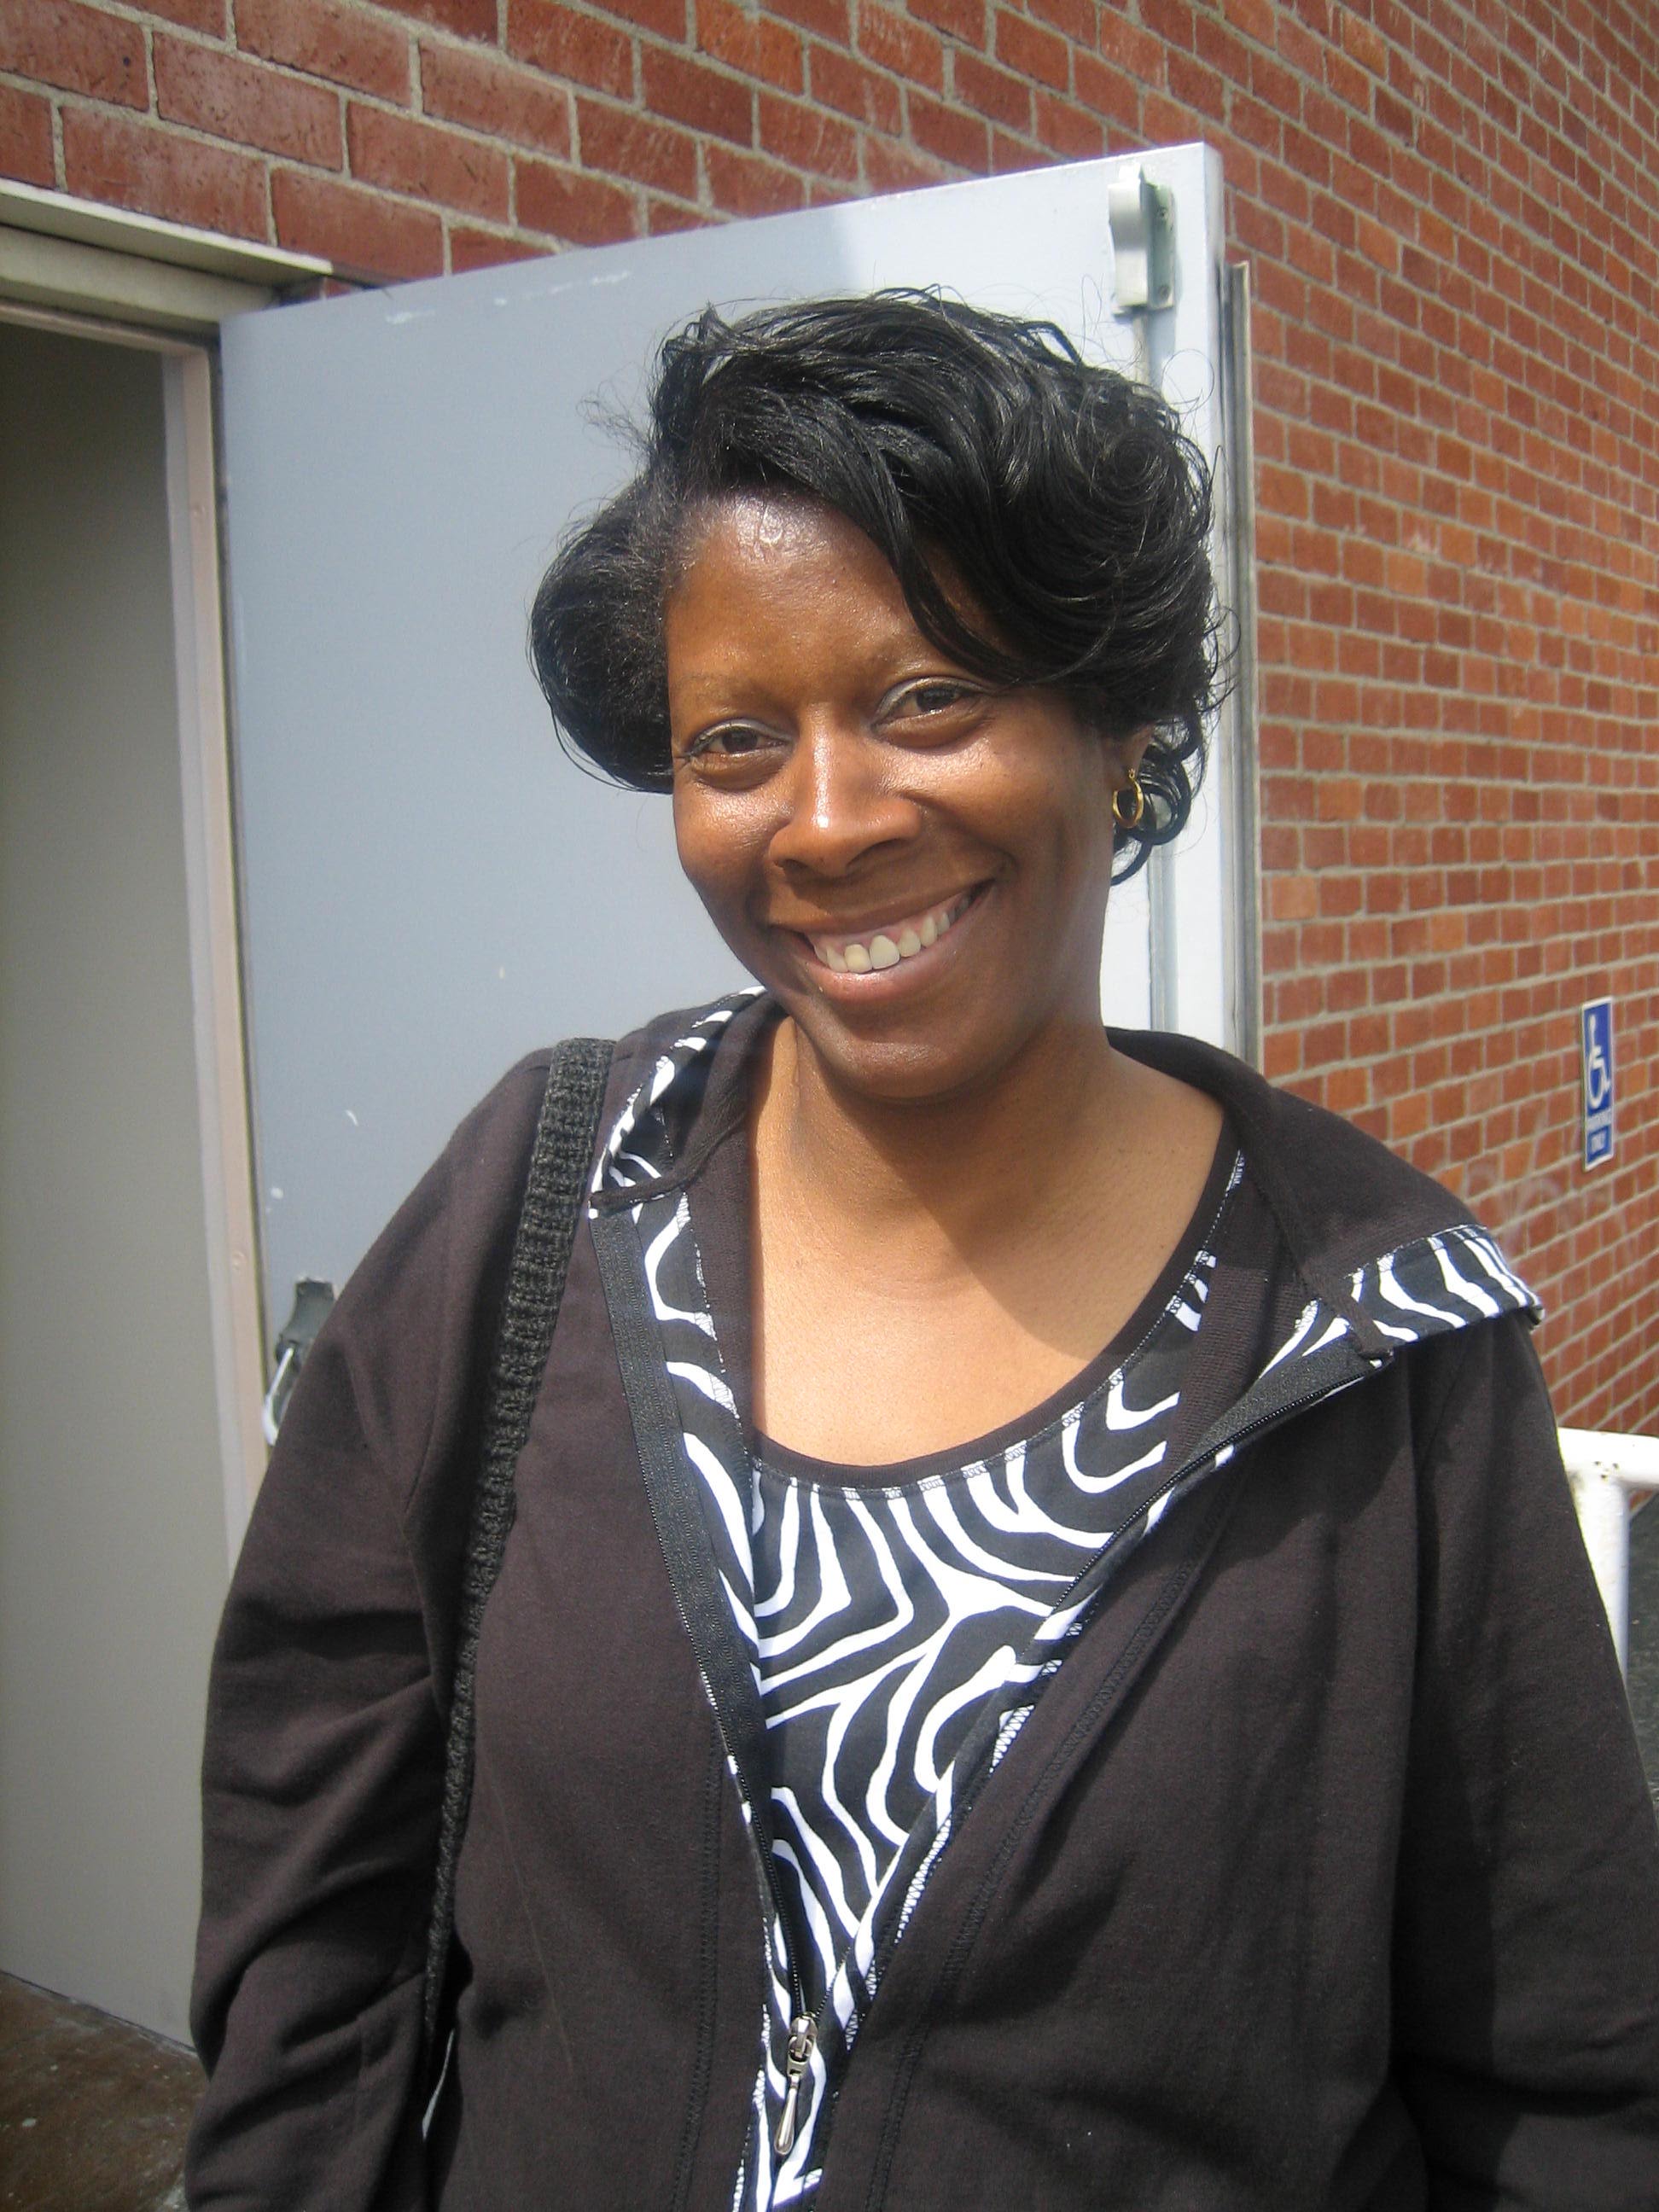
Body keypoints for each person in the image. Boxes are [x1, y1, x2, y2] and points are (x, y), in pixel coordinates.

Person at [186, 294, 1659, 2211]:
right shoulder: (541, 1201)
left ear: (1119, 733)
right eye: (735, 741)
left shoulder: (1376, 1328)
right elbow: (316, 1892)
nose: (824, 823)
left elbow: (1561, 2086)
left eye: (927, 702)